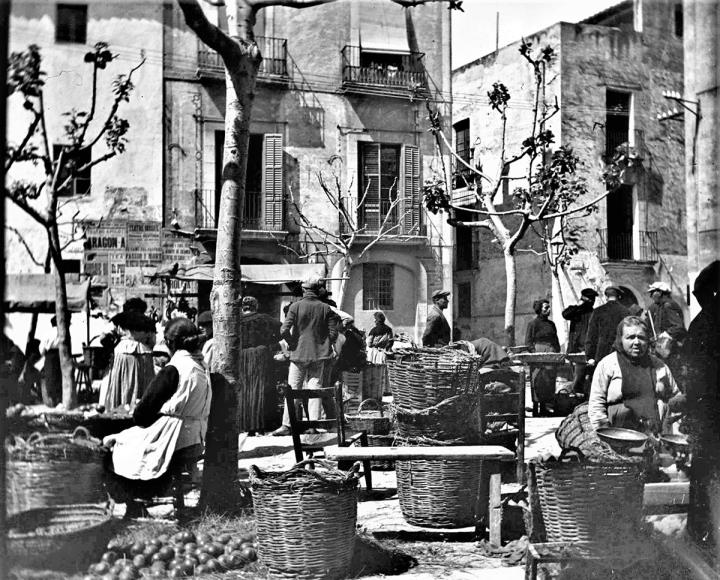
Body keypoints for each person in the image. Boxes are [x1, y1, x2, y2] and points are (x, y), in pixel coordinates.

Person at [102, 318, 212, 517]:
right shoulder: (202, 365)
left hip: (175, 437)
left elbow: (142, 415)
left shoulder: (174, 368)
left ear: (170, 343)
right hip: (196, 435)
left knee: (113, 445)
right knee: (131, 439)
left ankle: (135, 504)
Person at [588, 316, 682, 432]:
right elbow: (596, 403)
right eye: (630, 337)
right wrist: (605, 432)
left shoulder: (659, 366)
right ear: (620, 339)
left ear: (648, 340)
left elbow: (677, 397)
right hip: (618, 433)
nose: (637, 342)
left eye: (641, 338)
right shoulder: (608, 365)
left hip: (655, 431)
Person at [682, 260, 720, 546]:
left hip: (708, 416)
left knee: (704, 474)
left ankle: (700, 535)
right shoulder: (704, 324)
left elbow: (693, 379)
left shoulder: (701, 324)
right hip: (710, 415)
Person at [273, 276, 339, 436]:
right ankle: (313, 425)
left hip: (298, 354)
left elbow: (283, 331)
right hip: (319, 355)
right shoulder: (326, 308)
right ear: (318, 291)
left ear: (304, 290)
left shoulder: (295, 307)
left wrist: (292, 343)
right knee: (314, 389)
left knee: (293, 389)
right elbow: (334, 334)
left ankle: (287, 425)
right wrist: (323, 344)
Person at [237, 296, 282, 434]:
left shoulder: (236, 321)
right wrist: (273, 342)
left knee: (245, 389)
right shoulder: (264, 319)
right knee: (261, 388)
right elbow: (283, 329)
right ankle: (261, 426)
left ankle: (246, 425)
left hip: (243, 356)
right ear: (255, 306)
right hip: (261, 356)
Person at [103, 307, 156, 412]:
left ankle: (121, 407)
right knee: (143, 384)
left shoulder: (119, 320)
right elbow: (152, 341)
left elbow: (103, 337)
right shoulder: (148, 322)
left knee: (123, 383)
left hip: (123, 354)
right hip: (144, 354)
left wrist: (112, 346)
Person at [525, 298, 561, 415]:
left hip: (550, 353)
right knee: (537, 380)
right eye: (546, 308)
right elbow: (528, 342)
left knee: (549, 380)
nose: (549, 309)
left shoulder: (551, 324)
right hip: (537, 353)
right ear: (539, 309)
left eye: (549, 307)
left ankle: (545, 407)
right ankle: (536, 408)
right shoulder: (533, 324)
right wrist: (535, 353)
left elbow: (555, 340)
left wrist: (557, 353)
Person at [562, 288, 599, 395]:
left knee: (590, 378)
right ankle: (577, 398)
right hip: (576, 349)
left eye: (593, 300)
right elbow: (565, 314)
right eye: (590, 300)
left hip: (590, 350)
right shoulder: (576, 311)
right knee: (578, 377)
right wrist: (579, 305)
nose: (592, 302)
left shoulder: (595, 313)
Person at [585, 286, 630, 368]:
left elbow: (591, 335)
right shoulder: (626, 312)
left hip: (601, 354)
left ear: (606, 297)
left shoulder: (598, 311)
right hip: (621, 354)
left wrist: (589, 356)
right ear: (619, 297)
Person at [39, 316, 63, 407]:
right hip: (60, 356)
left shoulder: (48, 333)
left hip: (50, 356)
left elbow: (42, 349)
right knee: (59, 377)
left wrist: (44, 354)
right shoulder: (62, 332)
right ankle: (59, 400)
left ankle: (52, 400)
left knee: (50, 377)